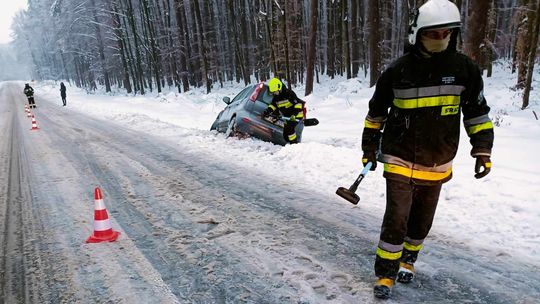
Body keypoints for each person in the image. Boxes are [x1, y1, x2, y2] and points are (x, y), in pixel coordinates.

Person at [360, 0, 494, 299]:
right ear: (417, 34)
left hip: (438, 161)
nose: (440, 39)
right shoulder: (397, 71)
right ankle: (385, 274)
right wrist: (369, 149)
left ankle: (408, 260)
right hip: (399, 156)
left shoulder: (465, 71)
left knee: (421, 220)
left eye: (446, 33)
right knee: (397, 217)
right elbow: (376, 114)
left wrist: (482, 150)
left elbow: (477, 114)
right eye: (433, 34)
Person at [262, 78, 305, 144]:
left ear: (280, 87)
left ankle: (294, 145)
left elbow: (298, 105)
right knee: (285, 134)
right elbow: (273, 105)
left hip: (296, 114)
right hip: (287, 116)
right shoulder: (276, 97)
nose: (275, 93)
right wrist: (267, 111)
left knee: (290, 129)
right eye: (273, 92)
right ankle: (290, 145)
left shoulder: (288, 93)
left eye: (275, 91)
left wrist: (294, 115)